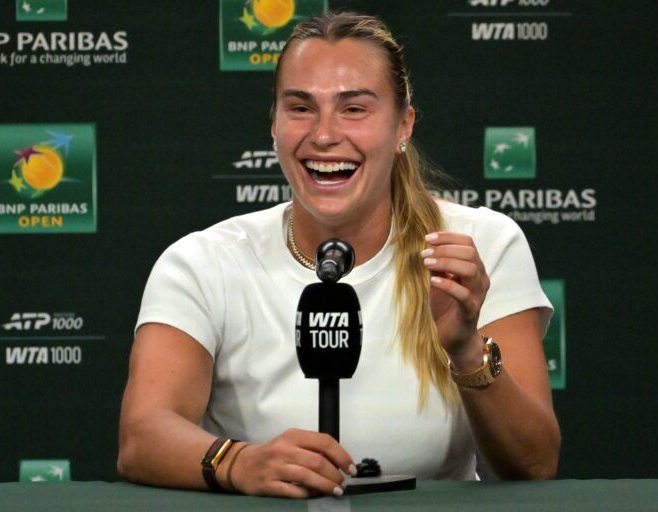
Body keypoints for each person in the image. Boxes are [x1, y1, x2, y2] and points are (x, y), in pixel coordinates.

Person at [117, 11, 561, 498]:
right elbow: (143, 435)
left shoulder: (478, 247)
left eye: (354, 109)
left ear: (403, 126)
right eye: (301, 108)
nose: (324, 134)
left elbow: (533, 463)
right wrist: (238, 461)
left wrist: (465, 351)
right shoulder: (203, 262)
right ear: (274, 125)